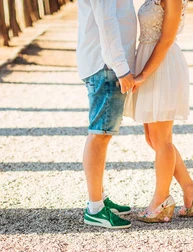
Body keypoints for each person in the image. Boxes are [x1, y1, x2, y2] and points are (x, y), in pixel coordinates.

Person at [124, 0, 193, 223]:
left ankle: (160, 201)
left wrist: (143, 74)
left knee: (162, 139)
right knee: (153, 139)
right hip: (148, 62)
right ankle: (191, 189)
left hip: (163, 67)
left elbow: (167, 38)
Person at [76, 0, 137, 229]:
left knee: (102, 133)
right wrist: (122, 69)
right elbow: (106, 21)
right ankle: (95, 208)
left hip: (106, 64)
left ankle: (99, 198)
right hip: (106, 66)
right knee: (99, 133)